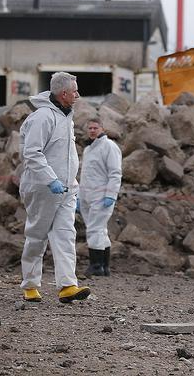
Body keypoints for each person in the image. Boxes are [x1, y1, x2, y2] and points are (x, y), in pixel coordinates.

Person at [18, 72, 90, 303]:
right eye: (75, 91)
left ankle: (68, 285)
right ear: (63, 93)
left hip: (66, 189)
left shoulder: (65, 116)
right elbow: (31, 152)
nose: (78, 95)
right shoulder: (42, 117)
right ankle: (30, 285)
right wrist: (51, 179)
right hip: (42, 188)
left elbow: (65, 156)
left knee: (65, 235)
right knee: (37, 236)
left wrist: (71, 185)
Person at [78, 118, 122, 277]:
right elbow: (86, 175)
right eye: (89, 128)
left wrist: (111, 195)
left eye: (95, 127)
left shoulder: (109, 146)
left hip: (102, 196)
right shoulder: (88, 149)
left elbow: (115, 173)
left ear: (102, 128)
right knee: (100, 231)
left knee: (94, 229)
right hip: (87, 196)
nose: (92, 130)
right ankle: (104, 267)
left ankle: (96, 266)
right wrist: (79, 197)